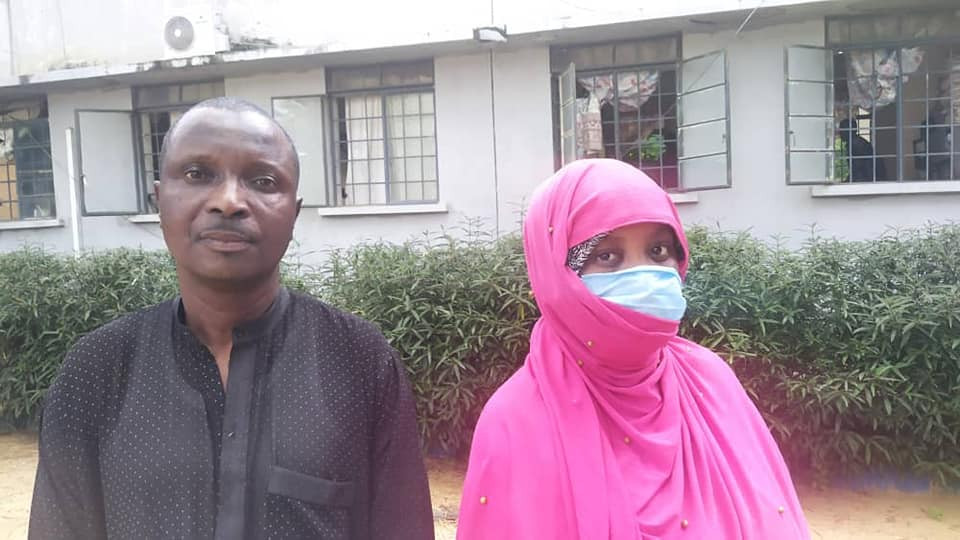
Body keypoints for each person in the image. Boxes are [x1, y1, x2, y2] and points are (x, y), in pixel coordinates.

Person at [29, 97, 434, 539]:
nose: (228, 201)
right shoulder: (97, 370)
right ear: (160, 201)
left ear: (293, 213)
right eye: (197, 174)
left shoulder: (360, 362)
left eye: (263, 181)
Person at [457, 159, 809, 539]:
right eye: (606, 256)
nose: (644, 276)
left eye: (658, 250)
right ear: (554, 274)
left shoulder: (711, 383)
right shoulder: (516, 423)